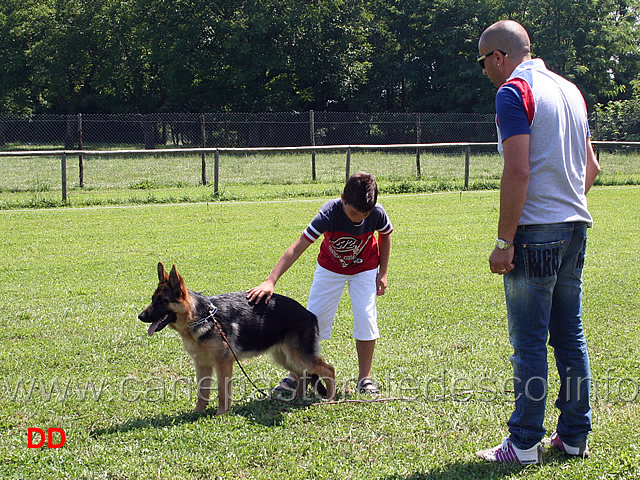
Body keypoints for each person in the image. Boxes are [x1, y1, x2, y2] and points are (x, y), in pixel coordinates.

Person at [474, 20, 601, 465]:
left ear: (499, 57)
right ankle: (574, 437)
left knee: (529, 341)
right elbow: (593, 169)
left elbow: (519, 170)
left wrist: (504, 239)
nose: (485, 71)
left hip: (535, 234)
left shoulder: (513, 91)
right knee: (570, 336)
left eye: (483, 61)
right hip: (575, 227)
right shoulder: (571, 92)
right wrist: (564, 205)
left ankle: (524, 442)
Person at [247, 171, 393, 396]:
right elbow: (297, 247)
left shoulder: (377, 213)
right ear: (343, 199)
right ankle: (296, 375)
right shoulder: (328, 214)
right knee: (311, 321)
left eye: (364, 215)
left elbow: (385, 235)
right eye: (353, 213)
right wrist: (270, 280)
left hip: (365, 269)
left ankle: (364, 378)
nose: (358, 220)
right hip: (330, 269)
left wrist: (382, 272)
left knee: (366, 319)